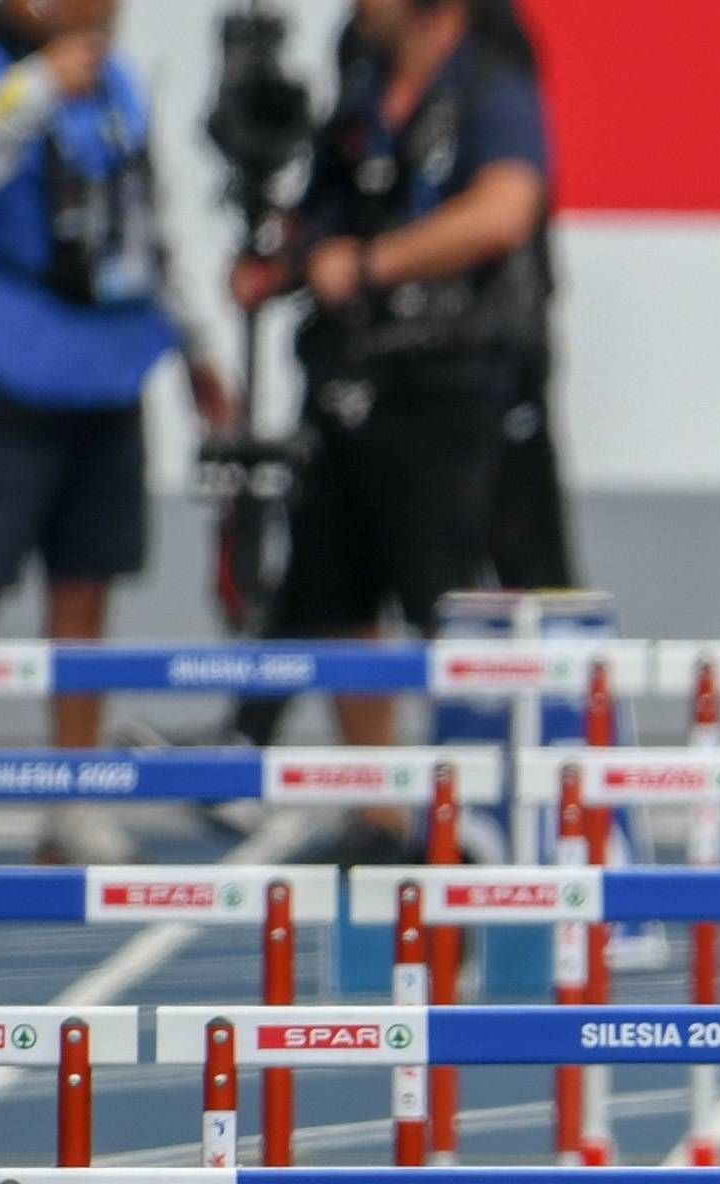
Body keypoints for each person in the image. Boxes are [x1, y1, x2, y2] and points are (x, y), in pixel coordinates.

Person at [0, 0, 231, 851]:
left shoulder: (118, 77)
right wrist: (36, 90)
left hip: (107, 369)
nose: (115, 8)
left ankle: (72, 795)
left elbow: (147, 223)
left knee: (86, 589)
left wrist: (196, 348)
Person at [230, 0, 548, 748]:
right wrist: (287, 260)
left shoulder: (490, 74)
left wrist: (372, 266)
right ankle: (379, 807)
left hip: (453, 387)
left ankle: (471, 810)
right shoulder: (361, 78)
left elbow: (504, 211)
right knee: (338, 589)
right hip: (351, 377)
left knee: (450, 600)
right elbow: (332, 210)